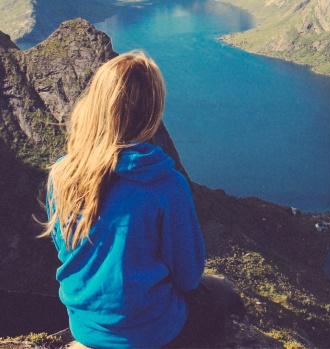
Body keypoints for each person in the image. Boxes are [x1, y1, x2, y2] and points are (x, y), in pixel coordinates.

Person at [42, 51, 237, 348]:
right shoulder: (165, 185)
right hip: (151, 333)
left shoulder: (62, 175)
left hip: (85, 327)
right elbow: (188, 278)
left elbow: (65, 249)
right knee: (222, 291)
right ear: (152, 112)